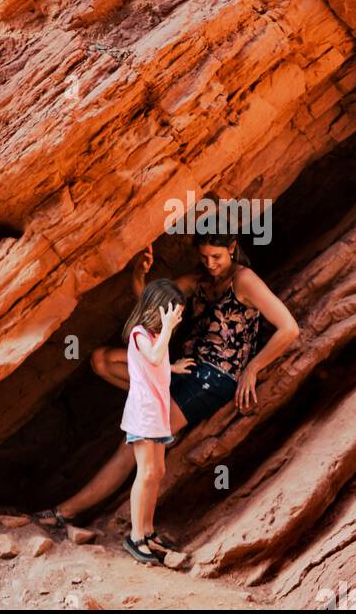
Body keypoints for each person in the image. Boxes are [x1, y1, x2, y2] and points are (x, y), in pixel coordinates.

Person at [38, 231, 299, 527]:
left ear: (232, 248)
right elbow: (153, 307)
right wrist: (138, 276)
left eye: (217, 257)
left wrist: (252, 368)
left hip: (214, 378)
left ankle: (63, 513)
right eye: (204, 257)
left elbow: (289, 328)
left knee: (131, 443)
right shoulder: (198, 279)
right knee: (102, 360)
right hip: (184, 367)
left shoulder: (244, 279)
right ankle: (150, 399)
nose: (211, 264)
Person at [120, 280, 185, 564]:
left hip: (156, 413)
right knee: (145, 473)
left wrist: (173, 367)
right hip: (143, 413)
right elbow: (153, 355)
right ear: (158, 310)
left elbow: (154, 363)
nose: (177, 320)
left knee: (157, 471)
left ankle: (148, 530)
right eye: (173, 314)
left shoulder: (156, 335)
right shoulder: (139, 334)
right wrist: (168, 329)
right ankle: (135, 536)